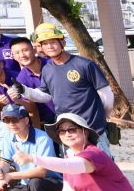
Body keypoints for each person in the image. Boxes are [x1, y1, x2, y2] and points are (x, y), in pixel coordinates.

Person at [13, 23, 115, 155]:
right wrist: (24, 90)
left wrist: (102, 117)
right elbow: (45, 95)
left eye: (53, 42)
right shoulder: (47, 69)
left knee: (101, 171)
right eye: (45, 43)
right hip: (67, 133)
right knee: (74, 173)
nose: (49, 46)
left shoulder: (85, 64)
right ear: (41, 48)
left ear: (63, 42)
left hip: (93, 130)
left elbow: (106, 95)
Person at [0, 104, 62, 191]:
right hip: (26, 185)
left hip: (51, 184)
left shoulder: (43, 138)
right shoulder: (9, 137)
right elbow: (5, 163)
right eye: (6, 120)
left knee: (36, 182)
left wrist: (10, 175)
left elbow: (42, 172)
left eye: (15, 119)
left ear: (26, 120)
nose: (11, 124)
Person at [10, 36, 56, 126]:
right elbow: (30, 107)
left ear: (34, 50)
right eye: (17, 53)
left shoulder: (52, 64)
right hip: (48, 123)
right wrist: (17, 99)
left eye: (25, 50)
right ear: (14, 57)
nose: (22, 55)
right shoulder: (21, 78)